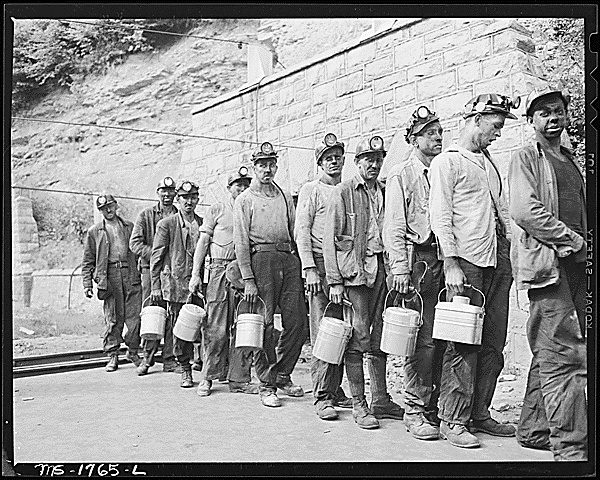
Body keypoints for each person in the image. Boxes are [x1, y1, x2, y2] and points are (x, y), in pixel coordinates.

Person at [429, 93, 517, 448]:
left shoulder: (488, 161)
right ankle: (452, 419)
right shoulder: (446, 163)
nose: (497, 134)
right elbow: (441, 215)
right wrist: (450, 262)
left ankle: (479, 411)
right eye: (495, 126)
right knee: (461, 343)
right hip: (464, 263)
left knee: (494, 342)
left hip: (497, 260)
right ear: (476, 120)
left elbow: (503, 210)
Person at [508, 88, 587, 461]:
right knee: (564, 355)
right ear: (532, 122)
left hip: (577, 267)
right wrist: (570, 239)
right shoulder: (526, 157)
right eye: (543, 113)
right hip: (548, 267)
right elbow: (524, 210)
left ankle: (535, 429)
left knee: (549, 351)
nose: (552, 118)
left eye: (558, 111)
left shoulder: (570, 161)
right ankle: (571, 449)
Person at [323, 135, 405, 430]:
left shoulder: (384, 191)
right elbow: (330, 240)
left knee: (381, 335)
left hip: (382, 270)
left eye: (378, 159)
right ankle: (359, 403)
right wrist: (334, 281)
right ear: (356, 163)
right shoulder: (343, 192)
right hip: (355, 273)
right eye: (367, 159)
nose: (373, 164)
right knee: (359, 337)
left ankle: (381, 399)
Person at [383, 106, 446, 440]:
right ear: (413, 139)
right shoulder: (401, 173)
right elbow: (393, 224)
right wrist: (400, 268)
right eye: (429, 133)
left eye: (439, 132)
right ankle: (414, 408)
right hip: (417, 260)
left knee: (442, 336)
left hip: (442, 258)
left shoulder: (441, 169)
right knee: (421, 338)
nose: (437, 138)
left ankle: (436, 405)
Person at [233, 142, 308, 408]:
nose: (267, 169)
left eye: (271, 164)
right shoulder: (245, 200)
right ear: (254, 168)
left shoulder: (285, 195)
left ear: (276, 166)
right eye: (262, 165)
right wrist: (248, 279)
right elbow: (241, 241)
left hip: (288, 259)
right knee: (264, 324)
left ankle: (283, 373)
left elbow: (294, 231)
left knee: (298, 321)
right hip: (261, 262)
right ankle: (267, 383)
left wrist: (300, 263)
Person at [295, 133, 352, 421]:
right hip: (319, 264)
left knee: (344, 330)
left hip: (343, 265)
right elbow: (302, 231)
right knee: (323, 330)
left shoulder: (346, 189)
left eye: (338, 156)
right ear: (320, 162)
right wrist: (309, 268)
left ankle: (335, 387)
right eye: (328, 158)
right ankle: (321, 394)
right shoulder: (311, 190)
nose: (334, 161)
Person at [189, 166, 259, 396]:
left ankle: (238, 378)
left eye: (246, 183)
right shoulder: (217, 209)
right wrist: (196, 274)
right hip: (219, 270)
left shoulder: (252, 208)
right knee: (216, 327)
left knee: (244, 326)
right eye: (238, 184)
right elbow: (202, 243)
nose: (242, 188)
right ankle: (208, 377)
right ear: (229, 188)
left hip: (244, 272)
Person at [150, 180, 203, 388]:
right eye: (184, 198)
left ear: (197, 199)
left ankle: (205, 365)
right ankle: (185, 369)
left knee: (204, 327)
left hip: (200, 283)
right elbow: (156, 257)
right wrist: (155, 286)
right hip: (176, 284)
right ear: (178, 200)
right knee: (182, 329)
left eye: (192, 198)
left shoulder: (202, 222)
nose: (189, 202)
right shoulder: (167, 224)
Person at [82, 194, 142, 372]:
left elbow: (139, 250)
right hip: (109, 276)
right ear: (100, 211)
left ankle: (133, 351)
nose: (108, 210)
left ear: (116, 206)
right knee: (113, 318)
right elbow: (88, 261)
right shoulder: (94, 232)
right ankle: (113, 355)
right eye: (103, 208)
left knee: (134, 316)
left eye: (110, 206)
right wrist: (87, 284)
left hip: (130, 273)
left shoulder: (129, 227)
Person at [129, 176, 180, 375]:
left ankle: (169, 359)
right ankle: (147, 358)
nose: (167, 195)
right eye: (163, 191)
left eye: (170, 191)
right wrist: (158, 255)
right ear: (158, 193)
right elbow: (135, 244)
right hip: (151, 271)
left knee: (172, 314)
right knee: (153, 313)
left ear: (175, 193)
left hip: (174, 272)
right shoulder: (146, 215)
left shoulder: (179, 214)